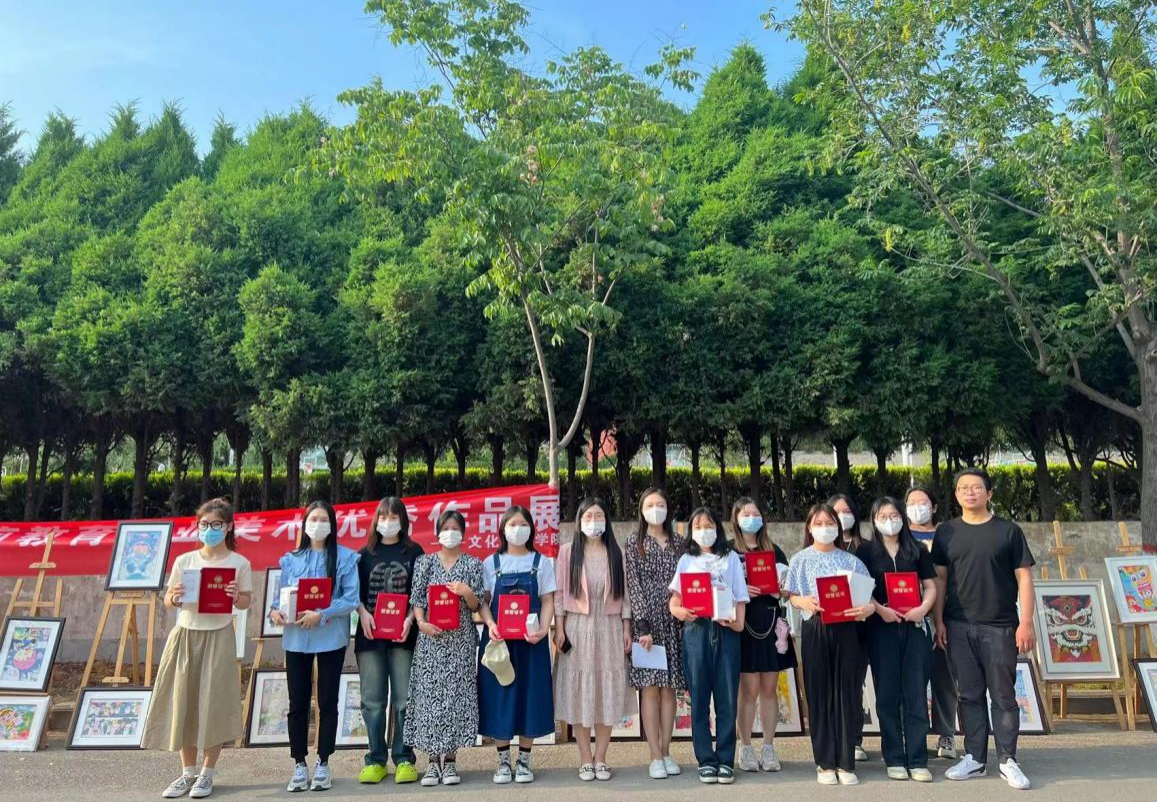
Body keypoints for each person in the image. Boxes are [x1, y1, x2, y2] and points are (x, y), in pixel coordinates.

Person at [933, 468, 1036, 791]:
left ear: (989, 493)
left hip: (1000, 626)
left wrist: (1026, 622)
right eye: (963, 487)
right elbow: (940, 579)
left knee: (1003, 694)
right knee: (969, 694)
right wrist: (938, 621)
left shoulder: (1008, 531)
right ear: (956, 495)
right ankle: (975, 758)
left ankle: (1007, 759)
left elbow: (1024, 578)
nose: (970, 492)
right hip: (958, 625)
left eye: (976, 487)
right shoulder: (946, 532)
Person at [145, 498, 253, 800]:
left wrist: (236, 596)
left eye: (216, 524)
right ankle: (187, 773)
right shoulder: (185, 561)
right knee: (185, 701)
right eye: (204, 524)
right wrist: (176, 597)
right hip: (186, 635)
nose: (209, 529)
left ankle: (207, 772)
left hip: (219, 635)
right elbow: (170, 600)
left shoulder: (239, 563)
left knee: (214, 702)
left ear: (228, 526)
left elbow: (246, 602)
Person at [269, 500, 361, 792]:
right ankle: (299, 763)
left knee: (327, 701)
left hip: (330, 637)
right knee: (297, 702)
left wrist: (322, 614)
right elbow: (278, 600)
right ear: (304, 524)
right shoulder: (291, 559)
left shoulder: (345, 558)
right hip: (296, 639)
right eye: (313, 519)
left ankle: (323, 761)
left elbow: (351, 598)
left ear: (332, 525)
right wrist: (276, 613)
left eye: (323, 520)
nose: (318, 525)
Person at [784, 503, 876, 786]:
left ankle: (846, 761)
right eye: (819, 523)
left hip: (847, 629)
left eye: (830, 523)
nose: (825, 528)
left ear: (838, 527)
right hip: (816, 628)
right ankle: (825, 762)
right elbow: (791, 595)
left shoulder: (852, 561)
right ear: (809, 528)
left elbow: (869, 598)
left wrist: (867, 609)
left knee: (847, 693)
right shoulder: (800, 559)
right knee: (819, 693)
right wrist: (802, 601)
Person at [554, 497, 636, 782]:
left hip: (609, 627)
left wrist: (626, 628)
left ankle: (601, 757)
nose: (593, 521)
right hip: (577, 628)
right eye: (588, 517)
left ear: (606, 520)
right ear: (579, 521)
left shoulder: (617, 552)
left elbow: (626, 596)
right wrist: (559, 628)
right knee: (580, 693)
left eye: (599, 516)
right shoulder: (567, 552)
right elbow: (559, 594)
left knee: (605, 692)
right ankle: (585, 758)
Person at [405, 509, 488, 787]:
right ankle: (432, 762)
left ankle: (451, 761)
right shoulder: (425, 563)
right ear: (437, 532)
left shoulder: (473, 564)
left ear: (463, 533)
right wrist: (421, 622)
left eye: (455, 528)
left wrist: (466, 592)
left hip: (460, 642)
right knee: (429, 698)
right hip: (430, 641)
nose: (450, 532)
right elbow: (417, 599)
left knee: (455, 699)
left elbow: (477, 606)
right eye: (445, 528)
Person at [856, 498, 937, 782]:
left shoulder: (916, 549)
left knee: (915, 693)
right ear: (874, 519)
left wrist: (923, 609)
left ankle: (918, 758)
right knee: (888, 695)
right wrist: (881, 610)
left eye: (893, 515)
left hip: (914, 626)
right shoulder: (866, 551)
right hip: (882, 628)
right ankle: (894, 757)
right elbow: (863, 590)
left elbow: (930, 586)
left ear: (902, 518)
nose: (889, 521)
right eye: (882, 516)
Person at [668, 506, 749, 785]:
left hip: (726, 632)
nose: (705, 531)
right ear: (691, 531)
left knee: (727, 699)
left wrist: (737, 623)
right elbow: (674, 600)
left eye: (710, 525)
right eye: (699, 527)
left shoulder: (731, 558)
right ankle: (705, 759)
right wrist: (680, 612)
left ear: (718, 528)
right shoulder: (686, 560)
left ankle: (725, 759)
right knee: (699, 700)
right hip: (696, 632)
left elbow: (740, 597)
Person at [479, 505, 556, 784]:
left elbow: (548, 600)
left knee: (529, 697)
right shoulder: (491, 563)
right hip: (499, 642)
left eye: (523, 524)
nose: (517, 529)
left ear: (531, 529)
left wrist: (543, 630)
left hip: (531, 642)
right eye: (512, 524)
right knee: (499, 696)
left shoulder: (541, 562)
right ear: (502, 529)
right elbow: (483, 602)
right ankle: (502, 761)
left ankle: (524, 760)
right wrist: (490, 624)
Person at [354, 497, 424, 785]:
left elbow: (419, 592)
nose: (388, 522)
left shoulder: (414, 552)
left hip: (403, 636)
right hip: (370, 638)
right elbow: (354, 593)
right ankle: (376, 759)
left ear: (403, 520)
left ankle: (404, 757)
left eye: (393, 517)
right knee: (372, 701)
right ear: (376, 521)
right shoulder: (364, 554)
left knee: (404, 700)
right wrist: (362, 613)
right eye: (383, 517)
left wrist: (409, 619)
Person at [729, 496, 795, 773]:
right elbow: (720, 587)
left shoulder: (774, 550)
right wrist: (742, 588)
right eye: (746, 514)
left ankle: (768, 746)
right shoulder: (729, 551)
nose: (751, 518)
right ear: (736, 519)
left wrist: (780, 588)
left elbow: (789, 589)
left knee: (769, 689)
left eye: (755, 513)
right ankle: (745, 747)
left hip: (770, 623)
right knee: (748, 691)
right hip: (743, 625)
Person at [624, 487, 685, 780]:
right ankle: (654, 755)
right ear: (641, 510)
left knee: (669, 688)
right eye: (650, 505)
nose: (655, 509)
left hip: (674, 621)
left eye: (660, 504)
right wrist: (642, 626)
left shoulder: (679, 543)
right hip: (647, 625)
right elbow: (633, 586)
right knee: (650, 688)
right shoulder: (634, 543)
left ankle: (667, 750)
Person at [906, 485, 959, 759]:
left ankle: (946, 734)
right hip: (907, 616)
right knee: (911, 679)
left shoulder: (947, 535)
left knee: (944, 678)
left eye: (923, 502)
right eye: (912, 503)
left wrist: (939, 619)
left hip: (945, 615)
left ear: (934, 507)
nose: (918, 508)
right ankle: (911, 734)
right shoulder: (900, 537)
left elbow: (946, 576)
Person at [827, 492, 869, 762]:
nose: (843, 517)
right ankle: (832, 739)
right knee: (830, 686)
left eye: (847, 511)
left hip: (859, 626)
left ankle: (854, 739)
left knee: (853, 685)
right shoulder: (821, 548)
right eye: (836, 512)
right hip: (828, 627)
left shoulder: (865, 549)